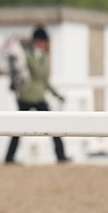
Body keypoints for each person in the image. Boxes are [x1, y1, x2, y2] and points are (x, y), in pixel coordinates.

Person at [4, 26, 68, 164]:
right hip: (26, 96)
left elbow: (44, 80)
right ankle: (9, 157)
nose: (45, 45)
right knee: (18, 130)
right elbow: (18, 70)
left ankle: (61, 155)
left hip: (39, 97)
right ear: (38, 41)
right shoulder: (26, 55)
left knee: (53, 127)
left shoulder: (44, 57)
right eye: (43, 41)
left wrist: (56, 94)